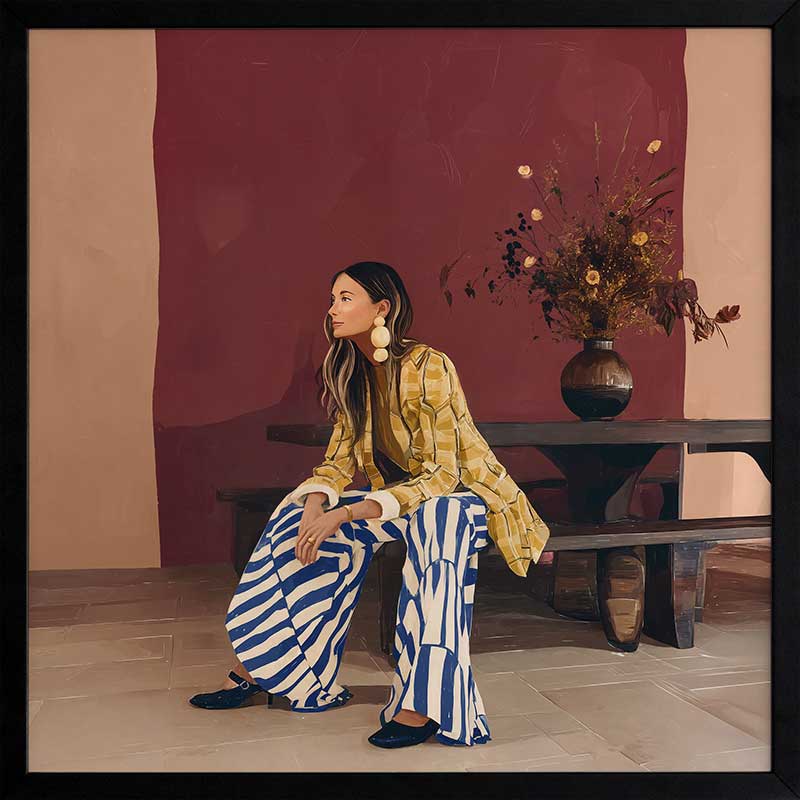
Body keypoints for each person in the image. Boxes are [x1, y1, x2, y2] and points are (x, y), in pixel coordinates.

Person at [188, 261, 550, 748]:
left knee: (436, 520)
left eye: (345, 298)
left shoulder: (430, 366)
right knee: (296, 516)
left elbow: (443, 476)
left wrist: (348, 511)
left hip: (465, 499)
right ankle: (264, 666)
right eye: (333, 298)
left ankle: (425, 704)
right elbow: (337, 463)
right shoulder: (353, 373)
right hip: (399, 505)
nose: (332, 309)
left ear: (383, 308)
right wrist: (319, 503)